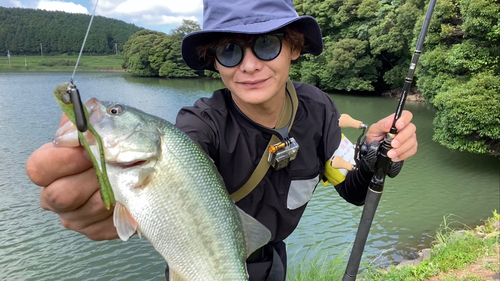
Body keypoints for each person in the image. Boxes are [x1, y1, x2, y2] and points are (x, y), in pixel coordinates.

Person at [26, 0, 417, 280]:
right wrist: (104, 190)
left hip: (274, 259)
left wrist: (372, 156)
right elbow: (164, 185)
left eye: (266, 44)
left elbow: (353, 190)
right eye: (230, 51)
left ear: (294, 48)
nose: (248, 64)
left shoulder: (318, 108)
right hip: (198, 263)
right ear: (213, 61)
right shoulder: (199, 125)